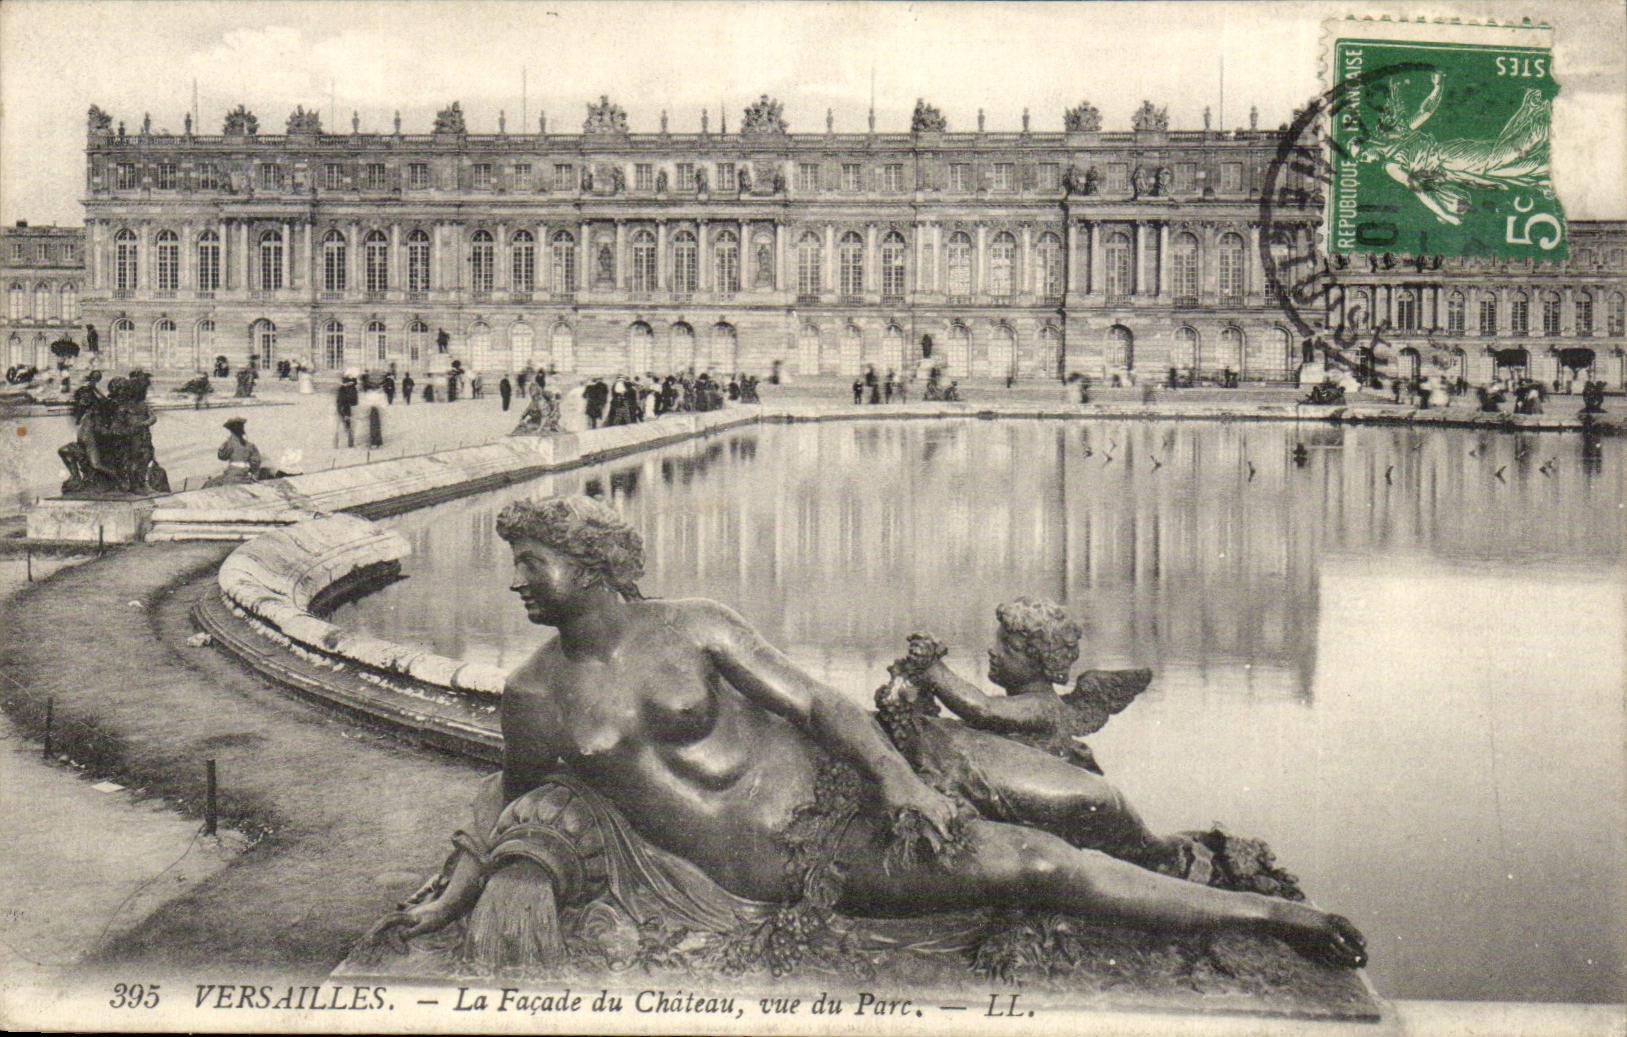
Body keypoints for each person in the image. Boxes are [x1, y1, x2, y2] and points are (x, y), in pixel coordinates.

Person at [367, 496, 1366, 970]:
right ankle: (1264, 920)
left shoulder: (694, 620)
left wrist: (900, 778)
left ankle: (1173, 864)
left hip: (848, 776)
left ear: (587, 564)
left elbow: (816, 703)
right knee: (1033, 862)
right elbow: (514, 792)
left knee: (1094, 802)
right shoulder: (533, 692)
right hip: (788, 859)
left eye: (531, 560)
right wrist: (474, 874)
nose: (514, 580)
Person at [878, 601, 1208, 878]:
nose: (993, 651)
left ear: (1039, 659)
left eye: (1009, 647)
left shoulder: (1042, 707)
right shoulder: (1023, 703)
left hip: (1054, 802)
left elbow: (982, 709)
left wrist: (935, 671)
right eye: (998, 642)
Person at [213, 416, 262, 484]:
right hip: (246, 476)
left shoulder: (230, 443)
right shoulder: (250, 445)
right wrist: (251, 473)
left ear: (231, 430)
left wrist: (226, 443)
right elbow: (256, 462)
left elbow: (222, 456)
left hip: (233, 475)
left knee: (215, 482)